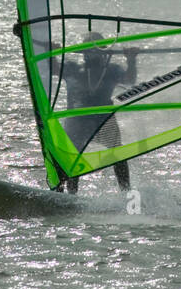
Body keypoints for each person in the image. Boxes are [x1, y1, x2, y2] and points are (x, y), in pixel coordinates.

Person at [57, 32, 138, 193]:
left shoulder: (112, 70)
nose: (90, 56)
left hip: (103, 118)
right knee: (70, 155)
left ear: (103, 52)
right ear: (83, 51)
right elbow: (51, 68)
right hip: (77, 119)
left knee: (117, 153)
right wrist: (50, 52)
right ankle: (67, 194)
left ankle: (126, 191)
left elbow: (129, 80)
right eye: (87, 50)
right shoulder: (72, 68)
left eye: (95, 51)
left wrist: (131, 59)